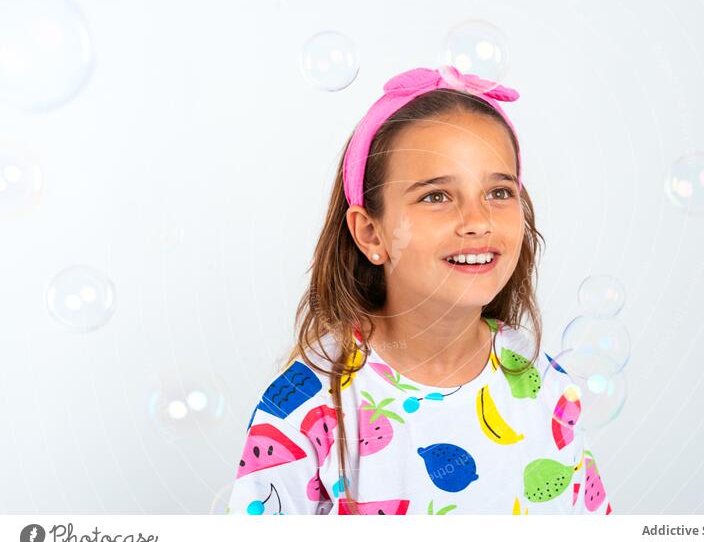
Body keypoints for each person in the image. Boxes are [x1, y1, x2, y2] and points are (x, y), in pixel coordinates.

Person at [227, 65, 613, 515]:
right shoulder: (306, 405)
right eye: (436, 196)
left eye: (499, 192)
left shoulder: (543, 385)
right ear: (371, 234)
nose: (478, 221)